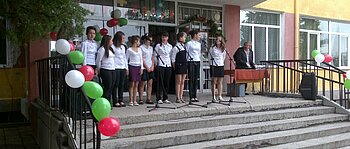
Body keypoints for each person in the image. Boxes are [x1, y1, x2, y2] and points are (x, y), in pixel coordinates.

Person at [95, 35, 115, 106]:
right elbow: (98, 60)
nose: (112, 42)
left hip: (112, 69)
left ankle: (109, 101)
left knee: (111, 86)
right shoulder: (102, 49)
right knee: (107, 86)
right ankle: (105, 101)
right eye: (111, 40)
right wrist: (99, 68)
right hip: (105, 69)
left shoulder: (110, 49)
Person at [154, 32, 173, 104]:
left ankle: (165, 97)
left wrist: (170, 63)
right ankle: (158, 97)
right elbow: (155, 55)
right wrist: (156, 64)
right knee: (160, 82)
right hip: (160, 65)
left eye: (165, 37)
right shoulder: (158, 46)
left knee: (166, 82)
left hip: (167, 65)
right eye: (163, 37)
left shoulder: (170, 46)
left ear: (168, 38)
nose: (164, 38)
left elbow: (170, 56)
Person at [112, 31, 128, 107]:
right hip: (116, 67)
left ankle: (120, 99)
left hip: (122, 67)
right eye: (123, 38)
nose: (124, 39)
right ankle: (115, 100)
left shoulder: (123, 47)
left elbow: (124, 58)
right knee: (116, 84)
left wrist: (126, 67)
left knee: (122, 84)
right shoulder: (113, 47)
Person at [126, 35, 144, 106]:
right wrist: (127, 68)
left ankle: (135, 100)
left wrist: (142, 68)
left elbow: (141, 59)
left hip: (138, 66)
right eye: (139, 41)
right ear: (135, 41)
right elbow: (126, 59)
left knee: (137, 84)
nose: (139, 43)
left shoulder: (139, 49)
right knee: (132, 84)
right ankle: (130, 100)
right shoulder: (129, 50)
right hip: (132, 66)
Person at [171, 32, 187, 103]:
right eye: (184, 37)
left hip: (184, 65)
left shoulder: (184, 46)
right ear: (180, 38)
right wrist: (175, 67)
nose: (185, 39)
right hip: (178, 65)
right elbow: (173, 59)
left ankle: (181, 96)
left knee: (183, 81)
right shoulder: (175, 47)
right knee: (178, 82)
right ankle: (177, 97)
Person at [209, 35, 226, 102]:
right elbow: (209, 57)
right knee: (214, 81)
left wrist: (221, 63)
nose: (217, 41)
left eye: (219, 40)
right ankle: (213, 96)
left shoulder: (223, 49)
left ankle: (219, 95)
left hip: (220, 65)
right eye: (217, 40)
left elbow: (223, 57)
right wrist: (211, 64)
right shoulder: (212, 48)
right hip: (214, 65)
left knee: (220, 81)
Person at [186, 30, 201, 102]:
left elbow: (199, 53)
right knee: (191, 79)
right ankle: (191, 95)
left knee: (196, 79)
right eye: (198, 35)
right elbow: (187, 52)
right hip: (190, 61)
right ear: (195, 35)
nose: (199, 36)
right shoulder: (189, 43)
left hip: (197, 61)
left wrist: (197, 59)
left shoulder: (199, 44)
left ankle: (195, 95)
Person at [139, 34, 155, 104]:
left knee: (150, 83)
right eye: (149, 40)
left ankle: (149, 98)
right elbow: (142, 58)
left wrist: (152, 66)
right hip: (144, 67)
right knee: (142, 83)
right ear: (145, 40)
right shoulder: (141, 47)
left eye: (151, 40)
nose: (150, 42)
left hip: (150, 66)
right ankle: (141, 98)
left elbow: (152, 57)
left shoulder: (151, 48)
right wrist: (147, 67)